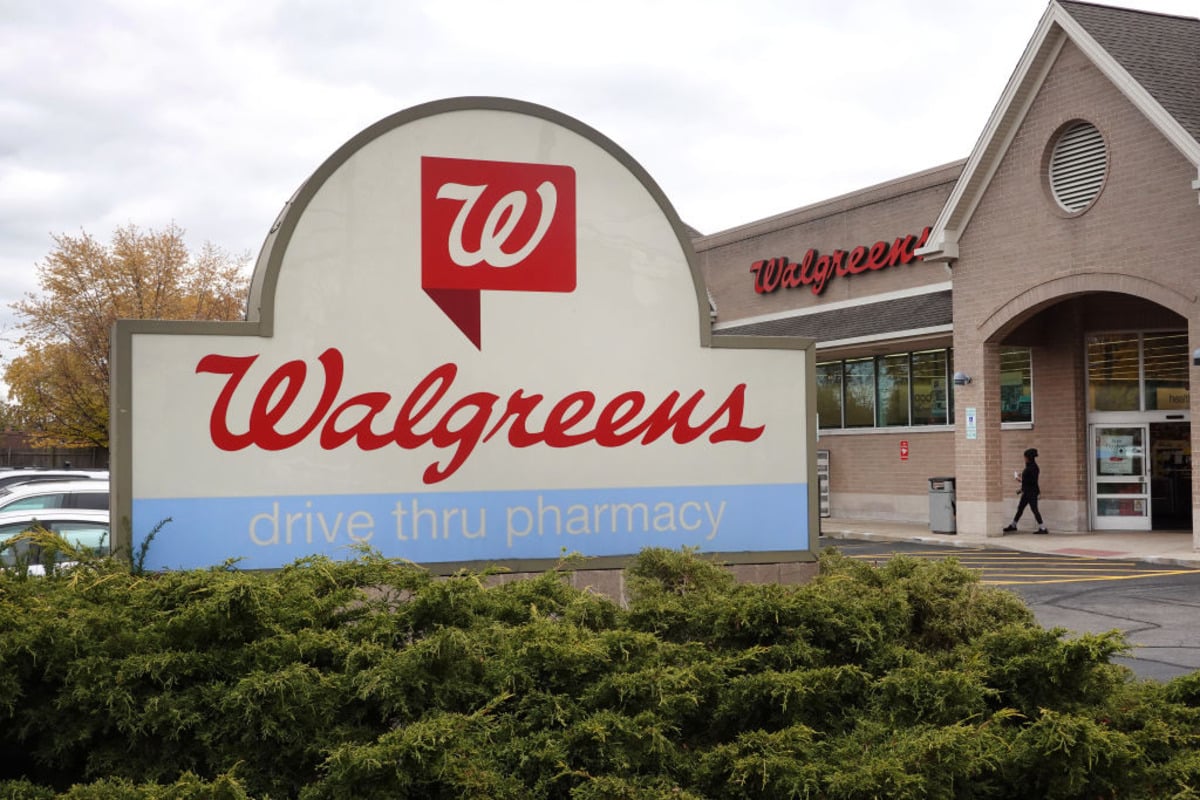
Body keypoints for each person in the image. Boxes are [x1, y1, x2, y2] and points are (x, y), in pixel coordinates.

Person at [1003, 448, 1048, 534]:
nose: (1024, 458)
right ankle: (1013, 525)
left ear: (1028, 457)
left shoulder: (1032, 468)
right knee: (1020, 508)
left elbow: (1031, 481)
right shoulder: (1031, 466)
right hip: (1027, 492)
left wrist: (1019, 479)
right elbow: (1028, 478)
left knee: (1034, 509)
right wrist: (1022, 477)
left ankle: (1042, 528)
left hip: (1031, 492)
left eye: (1025, 457)